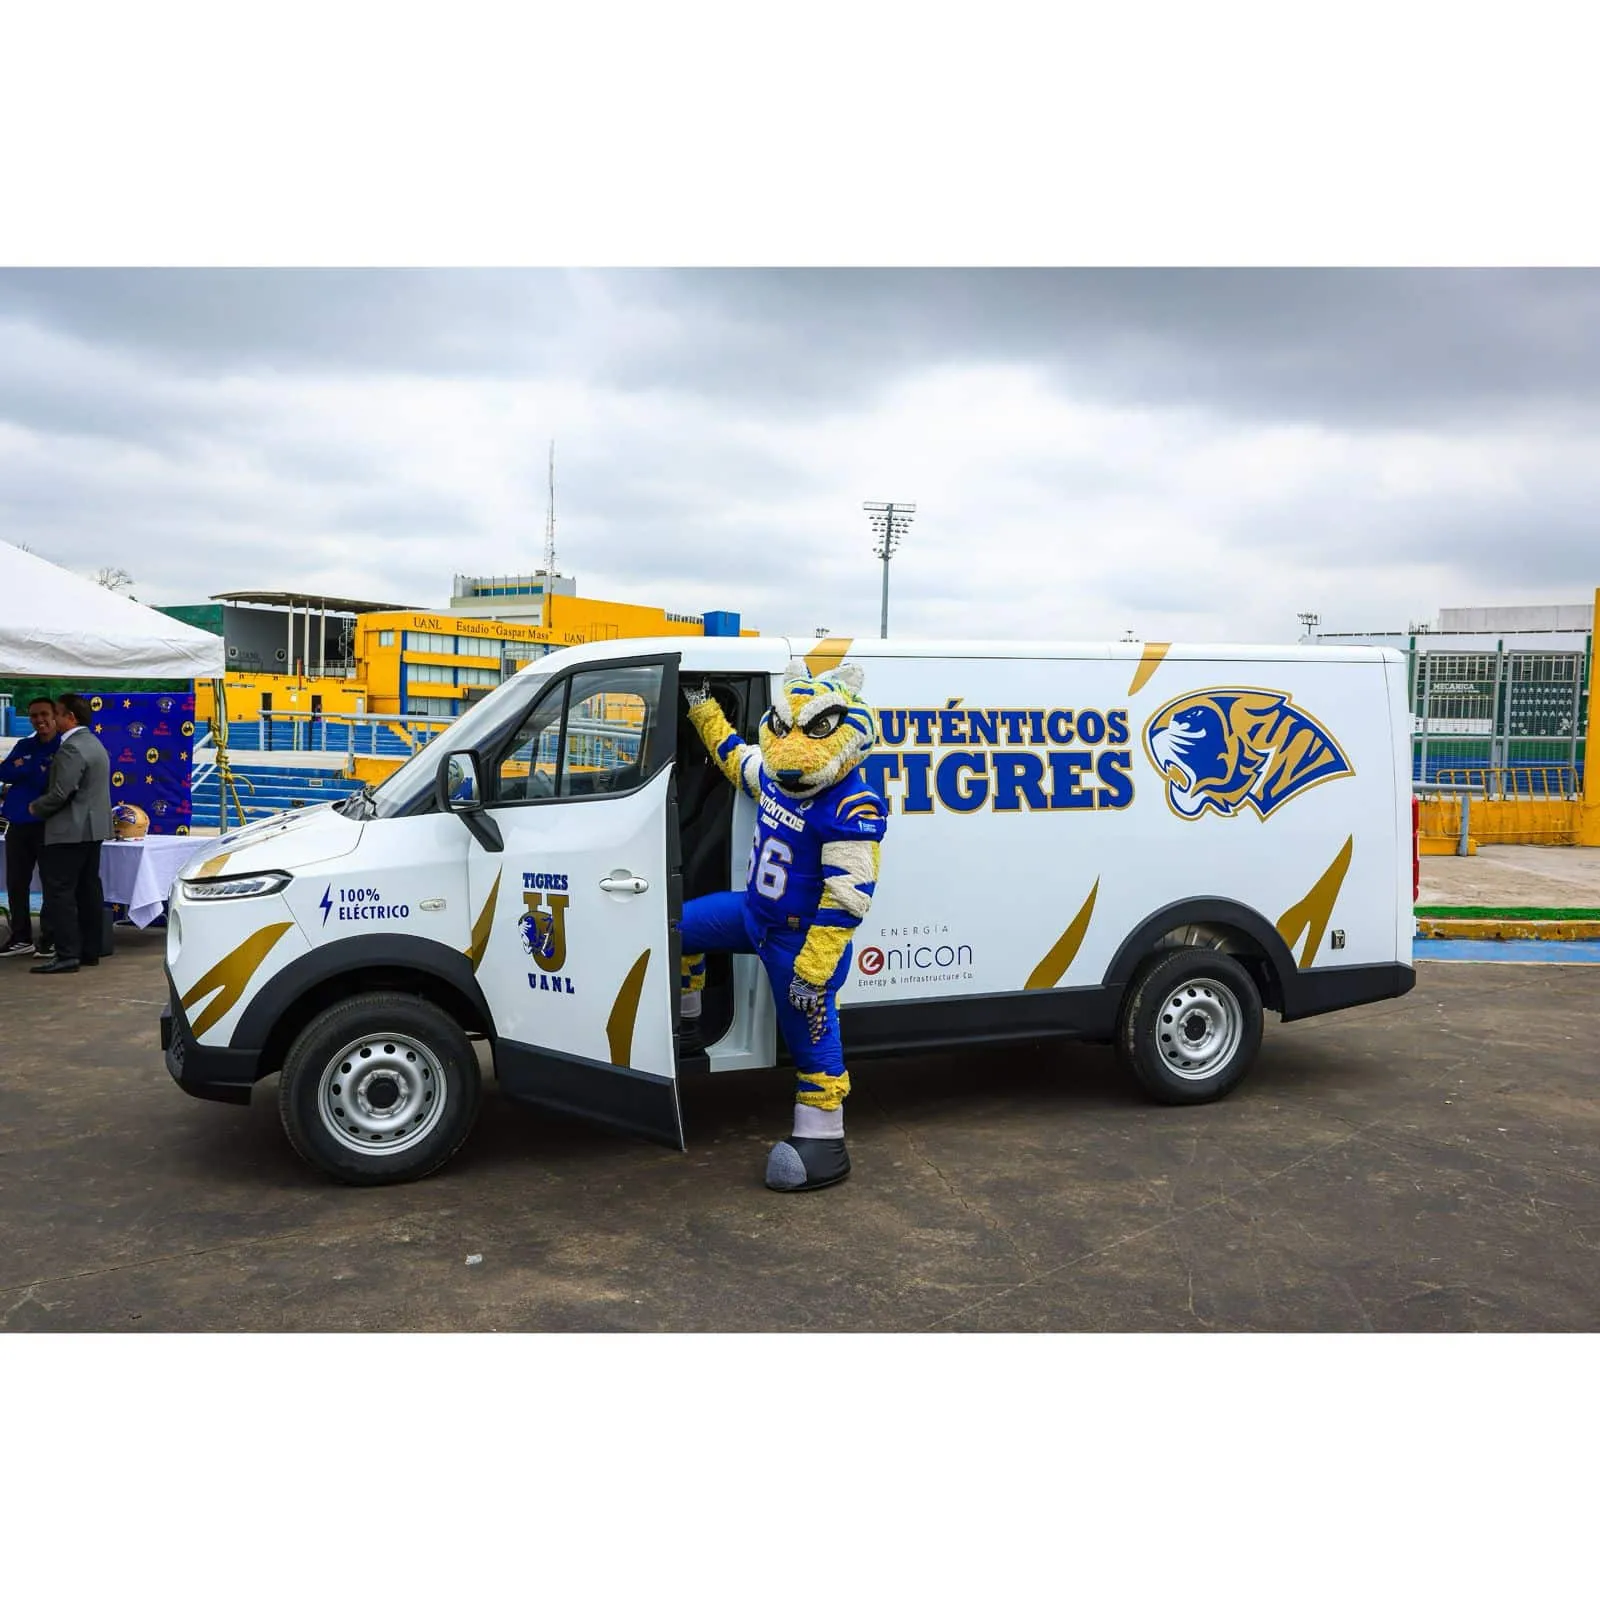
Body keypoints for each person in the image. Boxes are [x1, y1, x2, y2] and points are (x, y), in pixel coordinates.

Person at [679, 661, 888, 1192]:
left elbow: (848, 896)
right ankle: (688, 1018)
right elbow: (732, 756)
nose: (794, 753)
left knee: (812, 1034)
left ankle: (823, 1138)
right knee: (677, 928)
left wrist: (814, 969)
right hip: (754, 913)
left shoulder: (852, 802)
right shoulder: (773, 774)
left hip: (799, 937)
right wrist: (704, 706)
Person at [28, 692, 112, 975]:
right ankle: (90, 950)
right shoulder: (95, 743)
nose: (53, 719)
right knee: (88, 890)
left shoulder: (70, 749)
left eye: (57, 714)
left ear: (69, 717)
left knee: (60, 893)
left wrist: (35, 807)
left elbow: (62, 792)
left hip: (69, 831)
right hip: (93, 829)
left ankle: (66, 954)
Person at [1, 696, 62, 957]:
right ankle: (21, 937)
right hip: (17, 824)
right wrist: (31, 766)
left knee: (51, 884)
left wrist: (23, 767)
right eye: (34, 716)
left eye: (44, 714)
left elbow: (50, 782)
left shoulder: (64, 746)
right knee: (16, 883)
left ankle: (48, 938)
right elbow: (4, 772)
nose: (39, 720)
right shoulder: (25, 744)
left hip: (48, 825)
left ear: (55, 715)